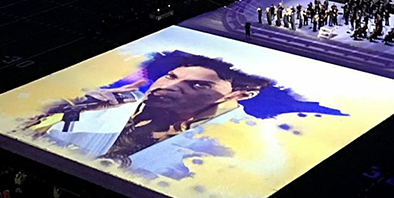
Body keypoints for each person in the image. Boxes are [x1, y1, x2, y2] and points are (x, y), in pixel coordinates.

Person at [22, 53, 272, 177]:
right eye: (171, 76)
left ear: (238, 95)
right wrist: (71, 106)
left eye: (198, 85)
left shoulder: (232, 143)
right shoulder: (105, 106)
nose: (168, 86)